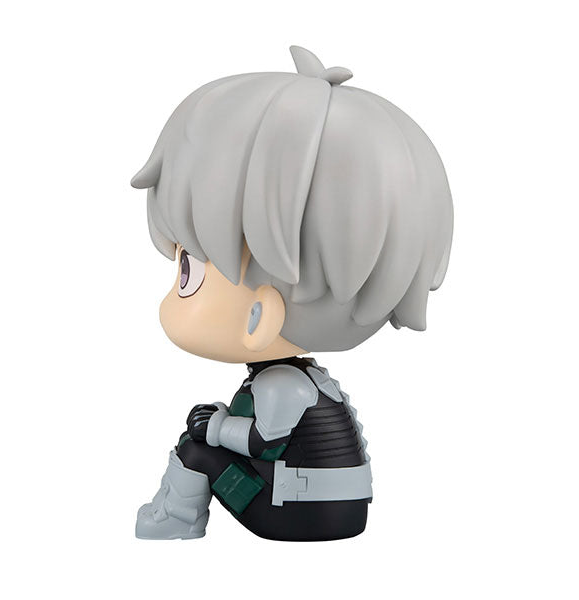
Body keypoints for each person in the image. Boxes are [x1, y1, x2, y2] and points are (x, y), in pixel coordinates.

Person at [130, 46, 453, 541]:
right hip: (326, 506)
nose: (174, 291)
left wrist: (213, 428)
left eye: (189, 272)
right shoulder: (305, 379)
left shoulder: (284, 385)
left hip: (295, 512)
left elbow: (262, 443)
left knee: (195, 450)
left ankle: (176, 518)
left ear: (259, 316)